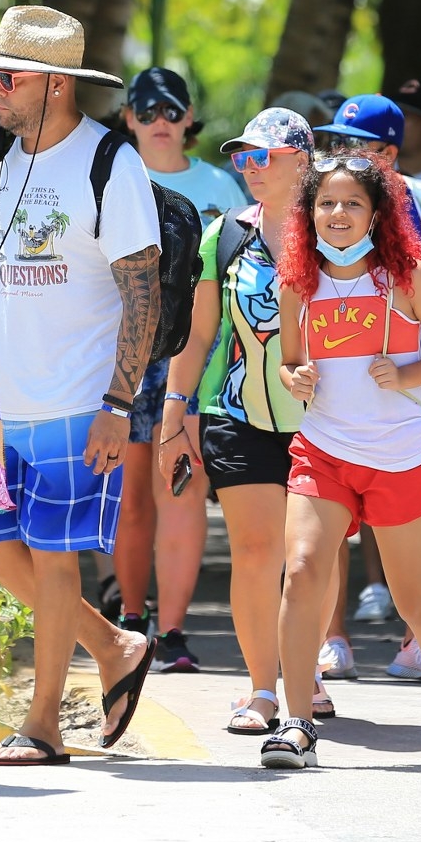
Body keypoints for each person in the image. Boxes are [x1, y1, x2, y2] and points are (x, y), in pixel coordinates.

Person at [0, 5, 159, 765]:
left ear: (57, 86)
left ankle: (42, 724)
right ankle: (111, 646)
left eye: (9, 77)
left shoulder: (111, 162)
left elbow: (142, 290)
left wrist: (118, 403)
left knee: (56, 554)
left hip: (77, 401)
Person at [261, 151, 421, 769]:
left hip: (401, 455)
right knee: (301, 572)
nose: (338, 213)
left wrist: (406, 370)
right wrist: (294, 376)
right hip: (324, 450)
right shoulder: (296, 282)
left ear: (377, 213)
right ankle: (297, 722)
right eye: (326, 202)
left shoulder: (407, 277)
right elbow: (290, 361)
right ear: (310, 214)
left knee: (414, 600)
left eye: (352, 202)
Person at [303, 94, 421, 679]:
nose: (341, 154)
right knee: (328, 516)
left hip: (419, 384)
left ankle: (416, 635)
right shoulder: (328, 203)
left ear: (387, 151)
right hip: (337, 384)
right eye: (336, 143)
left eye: (355, 145)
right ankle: (334, 637)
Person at [159, 107, 312, 734]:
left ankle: (308, 678)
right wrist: (175, 415)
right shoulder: (223, 234)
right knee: (254, 553)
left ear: (301, 162)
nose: (249, 169)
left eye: (263, 158)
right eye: (242, 158)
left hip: (323, 420)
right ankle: (261, 691)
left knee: (306, 558)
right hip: (237, 413)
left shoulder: (338, 226)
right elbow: (198, 337)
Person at [113, 66, 246, 671]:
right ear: (127, 119)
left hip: (199, 359)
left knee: (183, 490)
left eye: (172, 111)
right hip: (126, 355)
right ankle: (130, 618)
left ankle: (171, 632)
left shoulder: (223, 185)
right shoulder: (115, 180)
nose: (160, 122)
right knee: (131, 495)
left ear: (190, 118)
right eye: (146, 111)